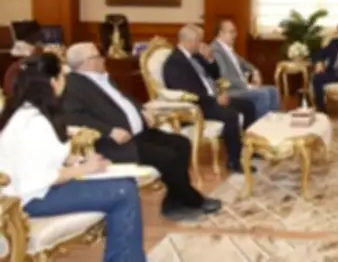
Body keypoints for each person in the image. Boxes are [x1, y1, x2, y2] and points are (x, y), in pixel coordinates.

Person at [0, 53, 147, 262]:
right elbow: (41, 177)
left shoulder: (27, 112)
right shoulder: (35, 122)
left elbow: (38, 155)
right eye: (63, 76)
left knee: (125, 184)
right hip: (29, 198)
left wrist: (75, 161)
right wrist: (85, 169)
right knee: (124, 192)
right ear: (53, 82)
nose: (66, 82)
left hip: (34, 191)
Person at [61, 42, 222, 221]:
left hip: (140, 134)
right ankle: (190, 200)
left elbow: (124, 99)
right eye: (98, 56)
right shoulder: (72, 85)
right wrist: (109, 131)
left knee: (181, 143)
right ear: (86, 62)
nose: (103, 59)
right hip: (117, 143)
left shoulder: (103, 77)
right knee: (167, 156)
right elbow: (73, 117)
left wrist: (142, 110)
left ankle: (175, 202)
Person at [162, 24, 257, 173]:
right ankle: (233, 161)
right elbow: (186, 92)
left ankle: (249, 149)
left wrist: (210, 58)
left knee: (248, 106)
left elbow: (215, 74)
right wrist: (214, 100)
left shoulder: (195, 56)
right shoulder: (174, 62)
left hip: (212, 98)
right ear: (189, 42)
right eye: (199, 41)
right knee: (231, 115)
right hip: (198, 105)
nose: (201, 44)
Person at [211, 19, 280, 117]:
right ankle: (259, 125)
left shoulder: (228, 49)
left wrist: (255, 71)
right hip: (231, 90)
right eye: (231, 32)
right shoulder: (216, 50)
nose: (235, 35)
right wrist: (247, 86)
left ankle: (272, 124)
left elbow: (245, 64)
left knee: (273, 90)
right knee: (263, 94)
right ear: (221, 33)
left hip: (241, 87)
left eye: (235, 32)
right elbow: (224, 77)